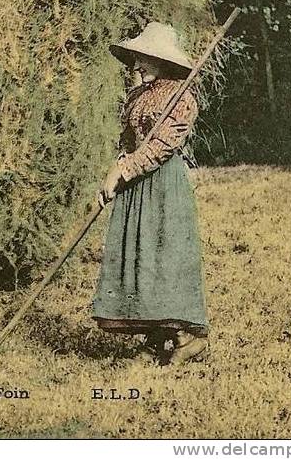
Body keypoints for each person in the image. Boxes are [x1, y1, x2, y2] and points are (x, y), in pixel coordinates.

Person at [93, 22, 209, 366]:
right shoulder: (138, 96)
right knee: (139, 257)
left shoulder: (181, 97)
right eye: (135, 59)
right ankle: (154, 337)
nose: (136, 65)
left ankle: (188, 339)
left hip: (162, 185)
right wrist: (118, 167)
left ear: (163, 61)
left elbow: (160, 147)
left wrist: (123, 170)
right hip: (135, 186)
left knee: (162, 257)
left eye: (144, 59)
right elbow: (127, 141)